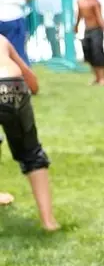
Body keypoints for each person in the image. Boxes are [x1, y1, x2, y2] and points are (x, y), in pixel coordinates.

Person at [0, 33, 57, 231]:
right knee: (31, 152)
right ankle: (49, 222)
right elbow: (27, 73)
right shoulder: (1, 39)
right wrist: (33, 90)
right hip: (13, 85)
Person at [75, 0, 104, 86]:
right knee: (88, 53)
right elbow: (79, 15)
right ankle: (96, 77)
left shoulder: (95, 2)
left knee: (97, 53)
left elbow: (99, 16)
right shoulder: (80, 1)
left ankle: (102, 77)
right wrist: (76, 26)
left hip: (96, 29)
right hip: (87, 30)